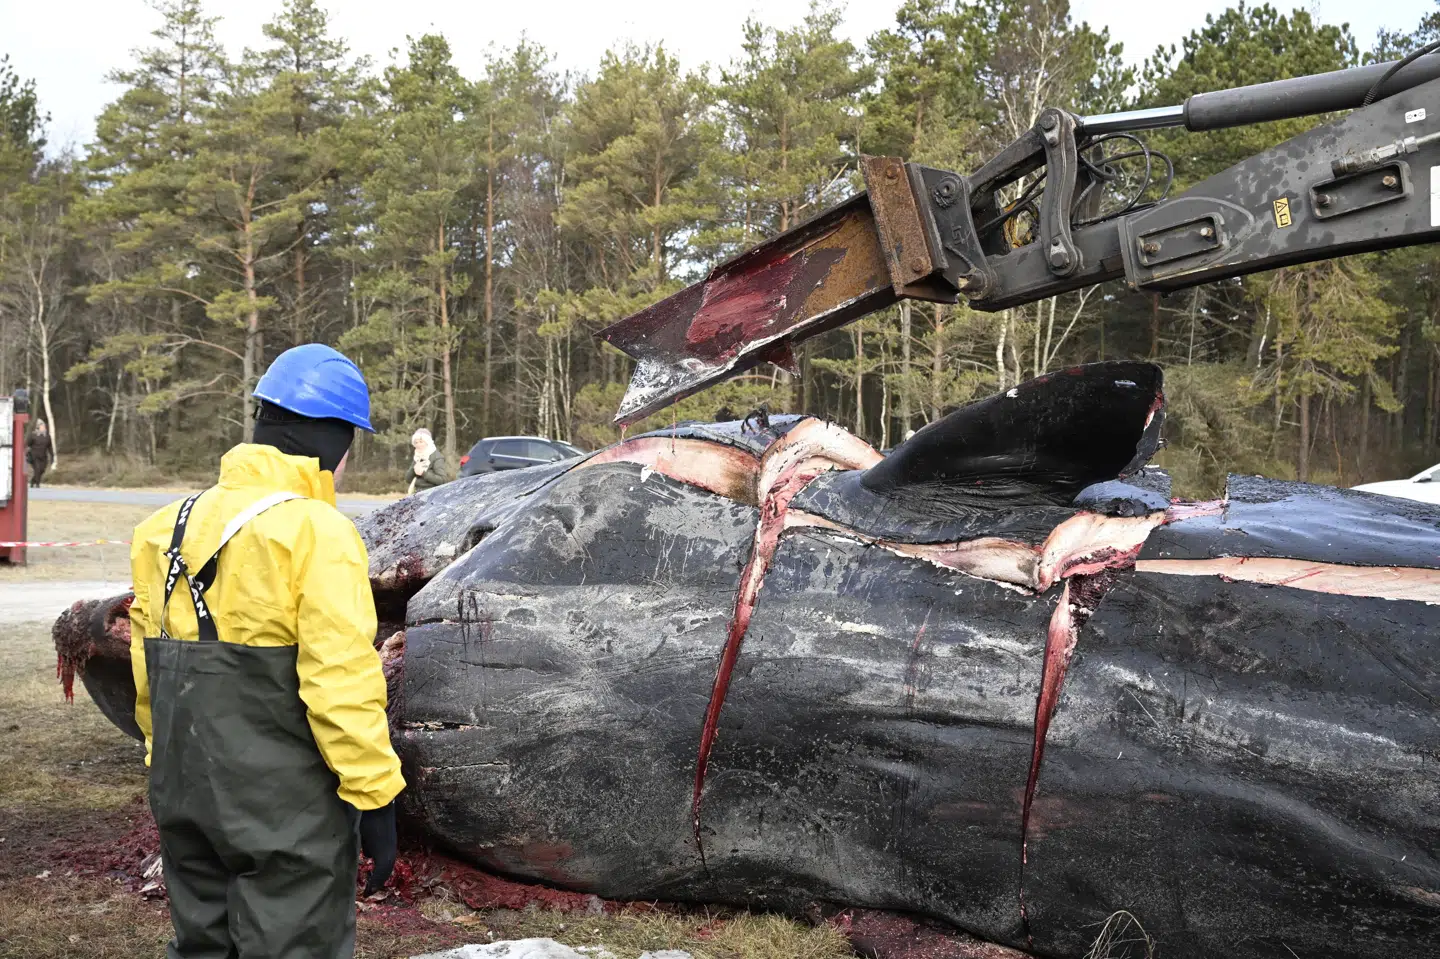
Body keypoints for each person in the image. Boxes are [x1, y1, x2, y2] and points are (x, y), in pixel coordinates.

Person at [127, 344, 405, 959]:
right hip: (283, 807)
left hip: (181, 785)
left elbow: (148, 671)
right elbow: (341, 680)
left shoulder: (162, 526)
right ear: (330, 436)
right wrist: (375, 794)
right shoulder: (316, 531)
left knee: (203, 943)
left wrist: (162, 759)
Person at [405, 426, 450, 494]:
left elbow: (443, 480)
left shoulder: (437, 457)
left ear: (427, 442)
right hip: (417, 493)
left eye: (421, 442)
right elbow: (408, 479)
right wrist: (414, 469)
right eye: (416, 442)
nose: (418, 445)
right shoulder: (417, 457)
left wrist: (423, 473)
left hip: (432, 494)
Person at [26, 418, 52, 487]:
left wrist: (52, 455)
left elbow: (50, 447)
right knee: (37, 469)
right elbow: (27, 444)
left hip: (43, 456)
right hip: (34, 456)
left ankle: (33, 480)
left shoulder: (47, 436)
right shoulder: (33, 435)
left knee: (42, 470)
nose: (44, 427)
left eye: (44, 426)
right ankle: (37, 484)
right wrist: (27, 453)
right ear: (38, 427)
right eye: (42, 426)